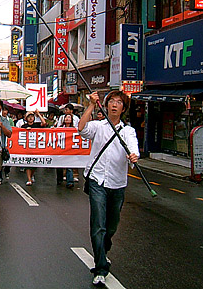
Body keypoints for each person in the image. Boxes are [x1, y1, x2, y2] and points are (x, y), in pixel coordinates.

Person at [78, 91, 139, 287]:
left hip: (117, 183)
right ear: (106, 105)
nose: (114, 105)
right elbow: (81, 128)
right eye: (111, 101)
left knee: (111, 226)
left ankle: (103, 249)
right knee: (98, 224)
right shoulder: (98, 126)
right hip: (97, 181)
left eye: (119, 102)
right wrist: (90, 106)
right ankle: (101, 267)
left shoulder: (128, 131)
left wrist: (134, 156)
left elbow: (133, 148)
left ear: (123, 108)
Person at [21, 110, 46, 186]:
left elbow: (44, 123)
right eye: (29, 117)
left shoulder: (37, 125)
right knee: (28, 163)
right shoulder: (23, 126)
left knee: (34, 164)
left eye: (32, 116)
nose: (31, 118)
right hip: (27, 147)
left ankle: (31, 176)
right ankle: (29, 179)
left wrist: (38, 114)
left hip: (36, 147)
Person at [56, 114, 75, 188]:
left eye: (69, 117)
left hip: (69, 149)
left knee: (69, 165)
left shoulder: (73, 129)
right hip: (60, 149)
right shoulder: (60, 128)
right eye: (66, 117)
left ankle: (70, 181)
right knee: (59, 165)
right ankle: (59, 179)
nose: (67, 119)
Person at [0, 105, 14, 184]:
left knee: (4, 160)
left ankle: (5, 173)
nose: (4, 112)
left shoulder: (7, 121)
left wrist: (2, 126)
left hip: (5, 144)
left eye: (6, 110)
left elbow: (9, 133)